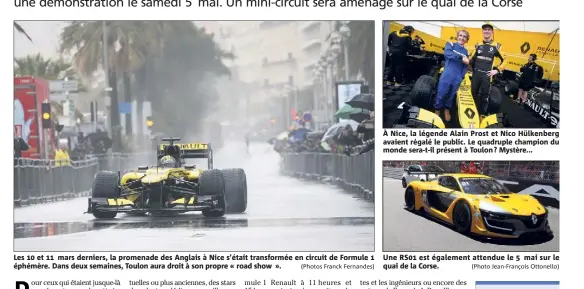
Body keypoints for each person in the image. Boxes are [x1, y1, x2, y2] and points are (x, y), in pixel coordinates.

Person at [470, 23, 506, 118]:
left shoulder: (497, 46)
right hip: (476, 74)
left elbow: (506, 60)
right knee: (473, 94)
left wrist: (497, 70)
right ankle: (470, 114)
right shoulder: (478, 45)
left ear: (492, 32)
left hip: (487, 76)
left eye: (488, 30)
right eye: (484, 29)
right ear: (482, 31)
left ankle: (482, 115)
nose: (486, 31)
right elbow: (472, 59)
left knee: (484, 96)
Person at [434, 30, 470, 122]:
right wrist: (461, 58)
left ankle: (447, 110)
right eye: (460, 36)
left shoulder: (466, 51)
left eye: (464, 37)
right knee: (441, 93)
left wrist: (461, 76)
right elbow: (448, 54)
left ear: (467, 40)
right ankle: (437, 110)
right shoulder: (450, 44)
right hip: (447, 74)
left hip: (457, 77)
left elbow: (465, 66)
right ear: (457, 37)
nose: (462, 38)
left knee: (451, 95)